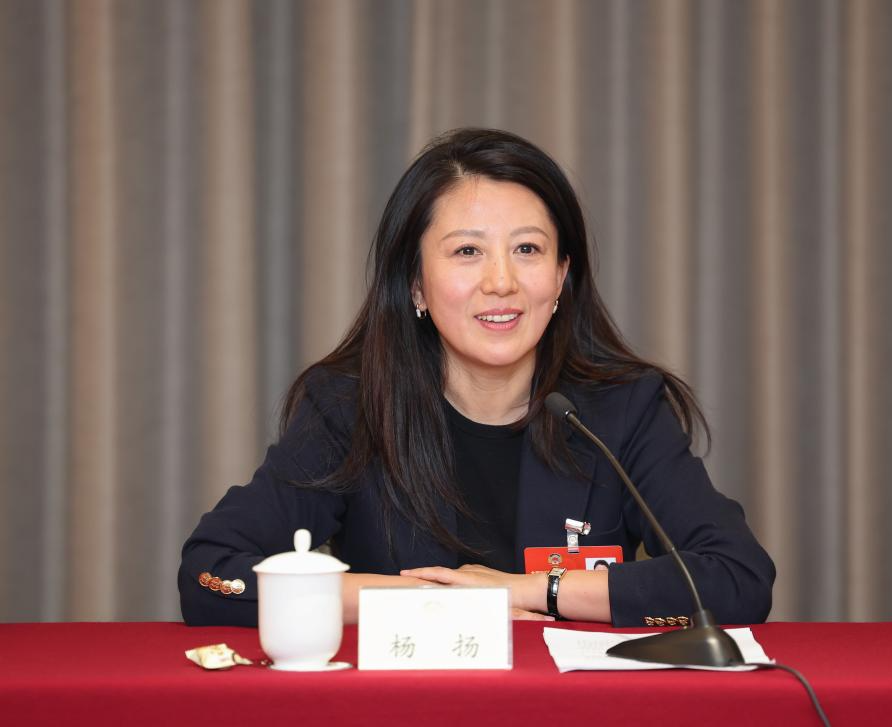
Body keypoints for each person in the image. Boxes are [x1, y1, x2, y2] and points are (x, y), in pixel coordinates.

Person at [179, 127, 775, 628]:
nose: (501, 283)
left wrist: (529, 590)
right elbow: (211, 575)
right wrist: (430, 601)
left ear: (561, 277)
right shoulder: (351, 406)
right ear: (416, 284)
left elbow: (737, 577)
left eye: (527, 250)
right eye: (467, 252)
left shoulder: (621, 409)